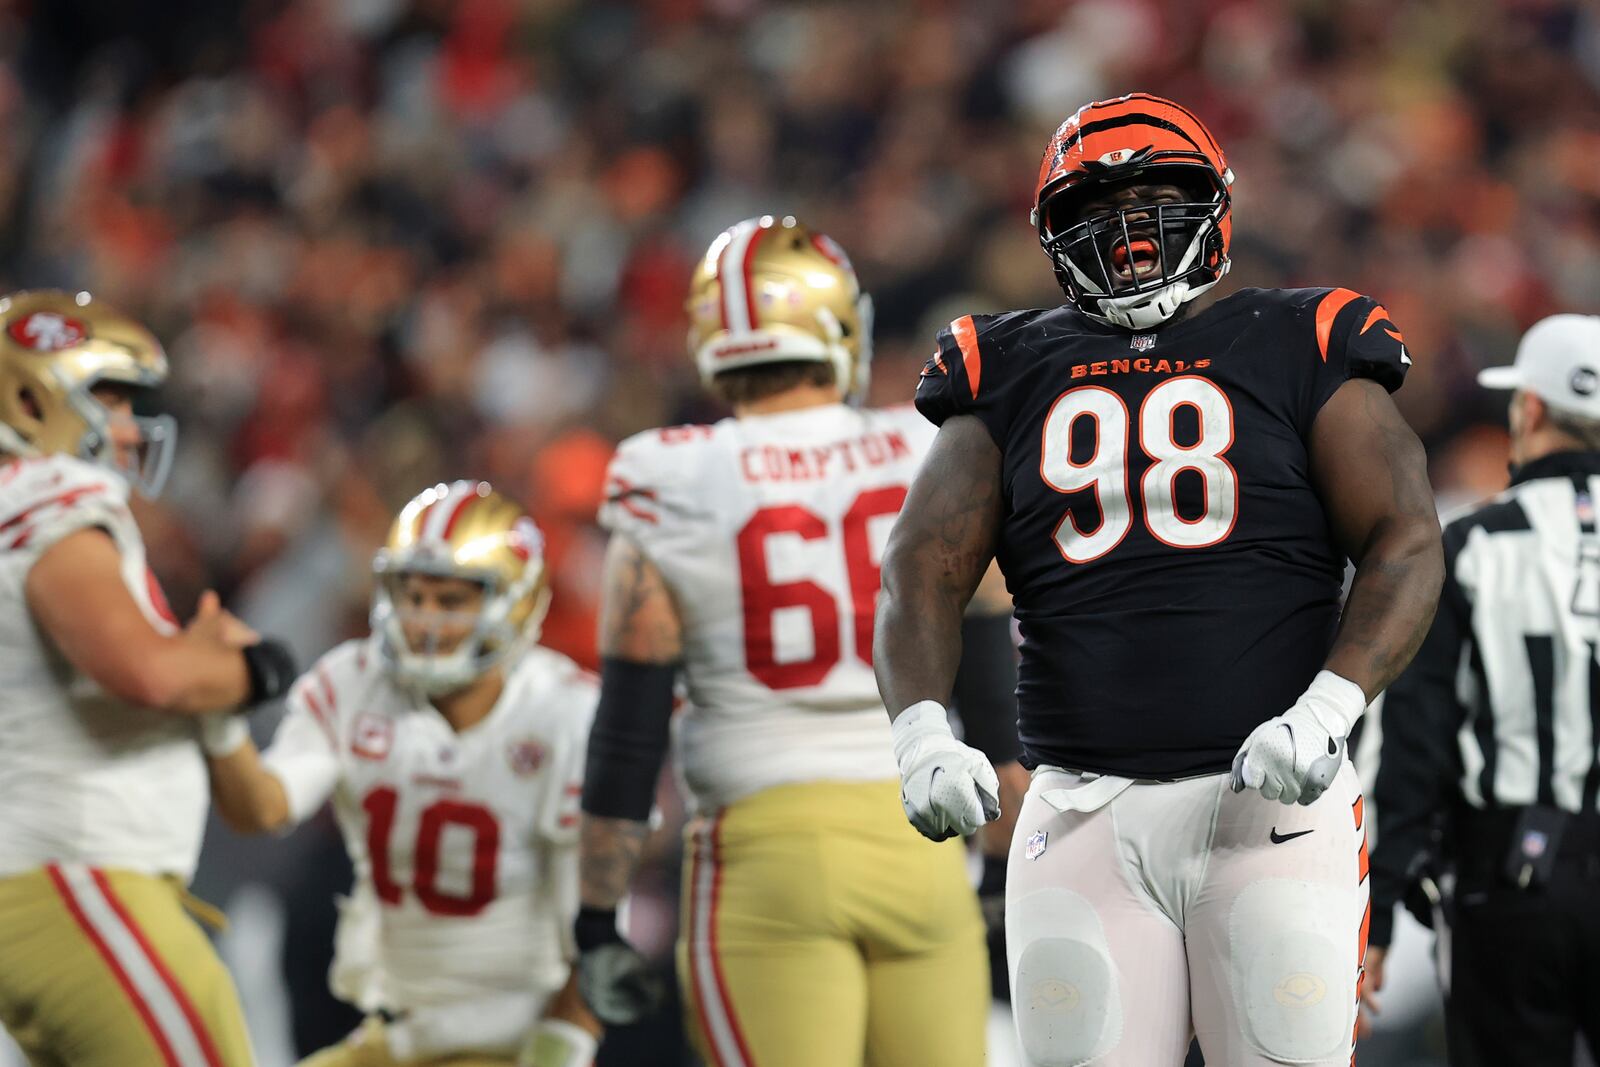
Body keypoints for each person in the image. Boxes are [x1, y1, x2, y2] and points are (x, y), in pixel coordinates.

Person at [873, 93, 1445, 1066]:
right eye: (1098, 204)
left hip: (1270, 803)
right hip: (1081, 806)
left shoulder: (1300, 336)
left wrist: (1328, 705)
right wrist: (921, 730)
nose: (1130, 223)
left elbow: (1405, 533)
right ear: (1052, 235)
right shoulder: (1004, 361)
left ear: (1214, 204)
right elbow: (919, 566)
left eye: (1155, 193)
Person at [572, 216, 1024, 1067]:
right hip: (921, 838)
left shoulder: (669, 473)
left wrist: (597, 914)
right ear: (837, 322)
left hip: (763, 847)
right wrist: (1008, 846)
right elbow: (994, 669)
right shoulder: (922, 444)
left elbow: (629, 727)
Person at [204, 480, 601, 1067]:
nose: (425, 621)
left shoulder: (565, 710)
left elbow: (599, 919)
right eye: (412, 596)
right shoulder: (353, 682)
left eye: (452, 601)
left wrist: (563, 1046)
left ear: (517, 602)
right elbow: (264, 807)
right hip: (401, 1031)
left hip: (514, 1036)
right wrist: (218, 721)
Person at [0, 289, 297, 1067]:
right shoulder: (48, 499)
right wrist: (252, 666)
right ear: (29, 397)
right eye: (109, 398)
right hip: (80, 882)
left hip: (47, 886)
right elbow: (149, 674)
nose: (128, 427)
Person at [1365, 314, 1600, 1065]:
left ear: (1528, 410)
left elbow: (1411, 739)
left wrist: (1377, 919)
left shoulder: (1471, 546)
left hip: (1513, 878)